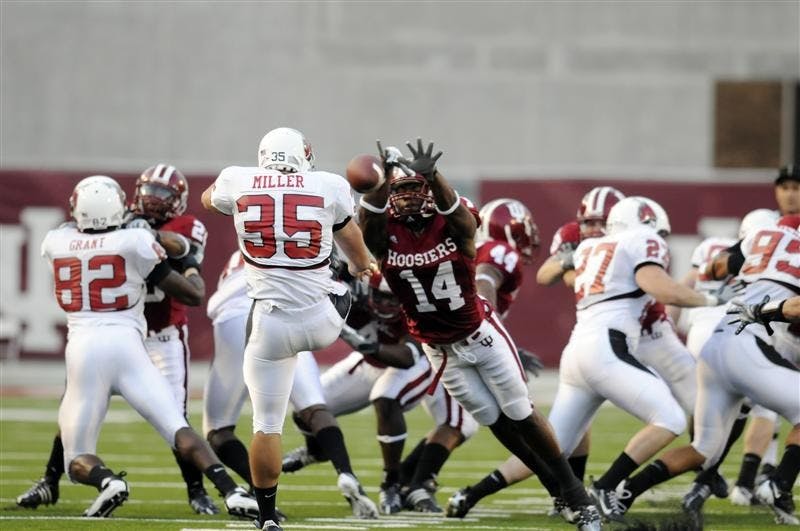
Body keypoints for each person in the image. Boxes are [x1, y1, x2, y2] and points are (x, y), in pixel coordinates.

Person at [358, 138, 602, 531]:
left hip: (478, 332)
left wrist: (433, 175)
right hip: (438, 350)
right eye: (397, 191)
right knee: (494, 419)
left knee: (521, 412)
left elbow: (464, 224)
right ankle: (560, 491)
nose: (404, 198)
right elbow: (367, 224)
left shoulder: (451, 222)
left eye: (411, 188)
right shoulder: (385, 234)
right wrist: (382, 179)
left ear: (427, 191)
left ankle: (576, 496)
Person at [38, 175, 259, 518]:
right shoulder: (134, 240)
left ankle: (107, 481)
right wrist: (183, 259)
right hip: (129, 347)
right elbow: (192, 292)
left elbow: (78, 230)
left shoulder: (56, 241)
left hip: (82, 348)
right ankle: (232, 491)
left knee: (76, 456)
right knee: (177, 426)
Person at [201, 127, 375, 531]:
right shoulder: (328, 185)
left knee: (266, 425)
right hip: (322, 323)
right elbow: (351, 238)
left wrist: (230, 199)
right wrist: (361, 264)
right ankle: (347, 305)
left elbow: (210, 199)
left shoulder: (238, 179)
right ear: (303, 155)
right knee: (342, 280)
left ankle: (267, 518)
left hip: (270, 328)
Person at [547, 196, 728, 522]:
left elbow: (563, 276)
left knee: (550, 448)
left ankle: (568, 500)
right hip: (608, 345)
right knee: (670, 417)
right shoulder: (641, 239)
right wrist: (711, 298)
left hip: (577, 349)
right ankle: (604, 487)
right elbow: (660, 288)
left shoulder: (589, 248)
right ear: (646, 223)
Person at [617, 214, 800, 526]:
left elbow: (713, 268)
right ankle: (778, 483)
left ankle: (624, 492)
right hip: (749, 345)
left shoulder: (760, 239)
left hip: (716, 345)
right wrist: (764, 310)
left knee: (703, 448)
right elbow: (794, 308)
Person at [282, 272, 479, 514]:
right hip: (368, 364)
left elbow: (407, 357)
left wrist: (365, 343)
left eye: (392, 298)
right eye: (380, 296)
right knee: (307, 405)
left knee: (386, 398)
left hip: (413, 363)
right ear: (368, 290)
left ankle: (391, 484)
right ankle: (315, 452)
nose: (385, 304)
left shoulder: (417, 306)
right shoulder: (354, 295)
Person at [204, 249, 373, 519]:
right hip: (286, 317)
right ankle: (347, 474)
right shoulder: (304, 245)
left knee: (219, 429)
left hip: (237, 317)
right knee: (314, 408)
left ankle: (261, 496)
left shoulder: (249, 244)